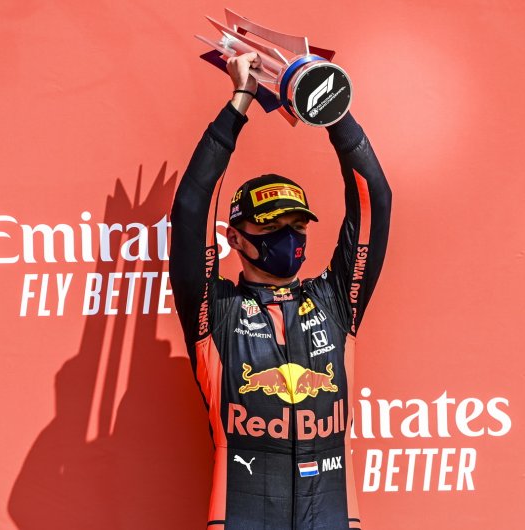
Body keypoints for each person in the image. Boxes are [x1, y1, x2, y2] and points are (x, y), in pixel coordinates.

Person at [170, 51, 391, 530]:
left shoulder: (336, 302)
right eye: (272, 227)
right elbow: (192, 209)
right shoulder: (216, 311)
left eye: (298, 226)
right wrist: (240, 100)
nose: (288, 237)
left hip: (332, 515)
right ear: (235, 238)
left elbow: (374, 198)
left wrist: (332, 109)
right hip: (242, 515)